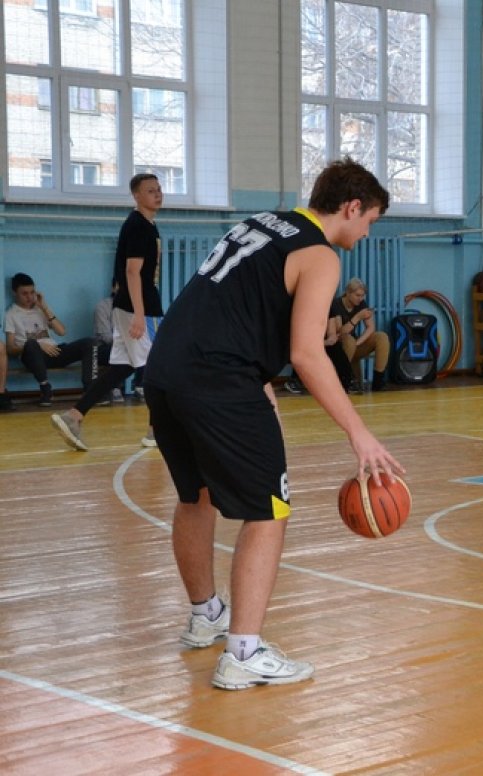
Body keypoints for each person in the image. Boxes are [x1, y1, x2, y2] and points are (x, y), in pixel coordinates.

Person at [142, 157, 403, 690]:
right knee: (270, 510)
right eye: (370, 219)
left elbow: (230, 303)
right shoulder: (319, 254)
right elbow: (309, 355)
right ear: (351, 207)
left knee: (197, 496)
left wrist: (260, 375)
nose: (368, 231)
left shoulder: (261, 223)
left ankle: (205, 615)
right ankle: (243, 652)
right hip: (218, 380)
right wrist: (360, 434)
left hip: (167, 368)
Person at [51, 173, 163, 449]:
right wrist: (139, 313)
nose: (158, 194)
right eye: (150, 190)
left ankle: (74, 415)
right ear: (136, 195)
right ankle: (156, 430)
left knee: (121, 368)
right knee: (159, 365)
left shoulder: (146, 225)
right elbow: (132, 271)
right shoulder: (139, 226)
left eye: (159, 189)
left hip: (131, 307)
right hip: (140, 309)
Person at [5, 272, 98, 406]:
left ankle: (90, 389)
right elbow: (10, 348)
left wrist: (44, 307)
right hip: (33, 356)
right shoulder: (11, 314)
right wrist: (38, 345)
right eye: (24, 293)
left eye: (32, 292)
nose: (29, 297)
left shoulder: (40, 310)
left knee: (90, 343)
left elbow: (61, 331)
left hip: (54, 352)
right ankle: (45, 388)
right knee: (31, 344)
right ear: (15, 293)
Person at [330, 278, 390, 393]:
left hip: (355, 343)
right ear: (348, 293)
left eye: (363, 295)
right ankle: (343, 378)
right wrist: (357, 317)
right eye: (358, 295)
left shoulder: (361, 304)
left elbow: (371, 328)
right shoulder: (336, 304)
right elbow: (340, 332)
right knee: (348, 339)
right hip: (341, 346)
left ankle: (378, 381)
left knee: (381, 337)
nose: (361, 298)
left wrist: (358, 343)